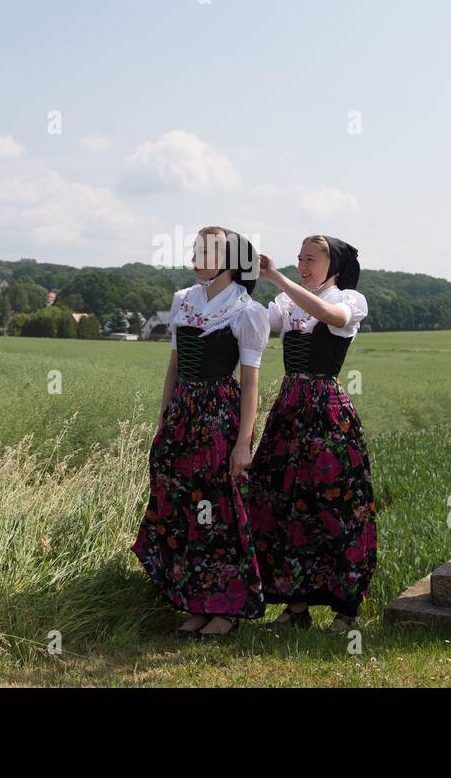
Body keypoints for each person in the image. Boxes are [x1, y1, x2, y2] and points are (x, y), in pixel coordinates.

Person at [131, 226, 270, 637]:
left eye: (205, 252)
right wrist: (163, 418)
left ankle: (224, 610)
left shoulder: (247, 311)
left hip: (219, 418)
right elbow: (174, 366)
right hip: (183, 416)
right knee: (183, 507)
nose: (195, 257)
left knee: (217, 512)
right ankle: (195, 602)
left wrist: (244, 442)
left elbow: (251, 384)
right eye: (194, 250)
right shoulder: (182, 301)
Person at [246, 235, 377, 632]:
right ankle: (295, 606)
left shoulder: (349, 300)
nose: (302, 265)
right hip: (289, 408)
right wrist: (229, 286)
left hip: (326, 410)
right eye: (299, 258)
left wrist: (278, 279)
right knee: (283, 501)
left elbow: (328, 315)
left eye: (311, 259)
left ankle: (346, 609)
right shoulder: (287, 303)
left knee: (335, 506)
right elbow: (254, 324)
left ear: (332, 265)